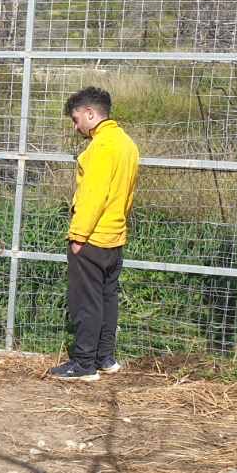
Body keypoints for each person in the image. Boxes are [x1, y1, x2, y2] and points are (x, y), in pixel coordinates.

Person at [51, 86, 139, 382]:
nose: (76, 126)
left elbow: (94, 195)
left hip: (92, 238)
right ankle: (105, 358)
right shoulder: (127, 144)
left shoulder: (101, 147)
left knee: (85, 302)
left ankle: (84, 364)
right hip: (115, 236)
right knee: (107, 300)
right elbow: (125, 195)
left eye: (76, 119)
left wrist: (78, 235)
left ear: (91, 113)